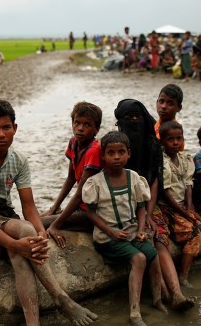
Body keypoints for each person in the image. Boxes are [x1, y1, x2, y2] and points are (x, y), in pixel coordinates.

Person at [0, 99, 98, 326]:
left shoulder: (18, 159)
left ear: (15, 128)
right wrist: (13, 243)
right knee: (24, 232)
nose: (1, 134)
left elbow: (29, 207)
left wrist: (41, 233)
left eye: (6, 127)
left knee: (23, 252)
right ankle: (61, 298)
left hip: (4, 214)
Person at [82, 131, 165, 326]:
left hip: (131, 232)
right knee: (139, 258)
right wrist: (111, 232)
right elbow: (90, 213)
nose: (116, 157)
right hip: (108, 238)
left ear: (129, 153)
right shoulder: (96, 183)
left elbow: (141, 207)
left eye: (121, 152)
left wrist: (142, 229)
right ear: (103, 156)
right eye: (111, 153)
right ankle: (135, 312)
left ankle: (157, 299)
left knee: (153, 255)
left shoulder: (133, 177)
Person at [158, 121, 201, 287]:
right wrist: (184, 213)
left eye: (179, 138)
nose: (176, 143)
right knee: (194, 234)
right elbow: (166, 193)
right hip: (168, 208)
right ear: (162, 142)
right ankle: (183, 275)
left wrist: (189, 207)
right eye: (171, 139)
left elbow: (188, 184)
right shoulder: (163, 163)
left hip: (183, 205)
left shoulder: (184, 159)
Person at [43, 102, 103, 248]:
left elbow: (80, 194)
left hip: (92, 213)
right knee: (40, 217)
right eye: (77, 123)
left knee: (39, 223)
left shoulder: (94, 151)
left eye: (87, 125)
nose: (80, 128)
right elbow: (70, 179)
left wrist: (56, 225)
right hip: (80, 207)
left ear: (96, 129)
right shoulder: (74, 142)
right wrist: (54, 207)